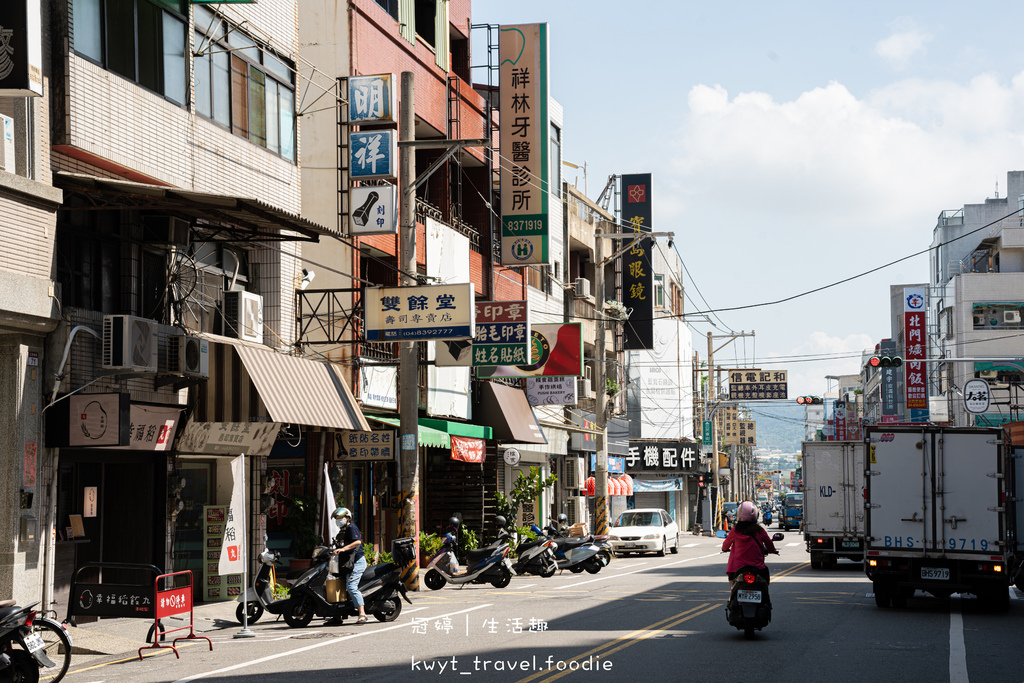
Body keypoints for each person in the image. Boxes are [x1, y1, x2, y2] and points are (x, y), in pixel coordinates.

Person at [721, 500, 778, 599]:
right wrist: (773, 550)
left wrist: (724, 549)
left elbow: (725, 546)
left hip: (737, 568)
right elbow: (769, 543)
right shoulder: (760, 530)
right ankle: (764, 599)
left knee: (732, 580)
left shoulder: (735, 531)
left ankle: (732, 597)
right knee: (764, 584)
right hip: (757, 568)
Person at [331, 507, 367, 625]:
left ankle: (362, 613)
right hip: (346, 563)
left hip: (357, 562)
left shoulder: (351, 527)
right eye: (336, 518)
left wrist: (343, 549)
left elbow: (357, 542)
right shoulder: (342, 530)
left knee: (351, 586)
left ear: (347, 518)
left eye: (340, 518)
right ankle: (337, 615)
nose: (338, 520)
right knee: (337, 585)